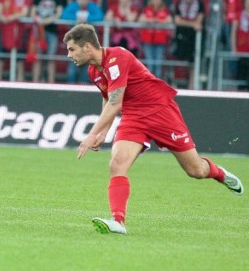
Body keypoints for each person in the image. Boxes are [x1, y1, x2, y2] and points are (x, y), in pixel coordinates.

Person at [63, 23, 244, 235]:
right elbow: (107, 97)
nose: (68, 55)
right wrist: (103, 132)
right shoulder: (94, 70)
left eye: (71, 49)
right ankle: (118, 221)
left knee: (195, 170)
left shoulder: (118, 57)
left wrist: (92, 134)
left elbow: (115, 102)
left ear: (86, 47)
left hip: (160, 111)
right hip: (133, 116)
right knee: (117, 164)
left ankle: (219, 173)